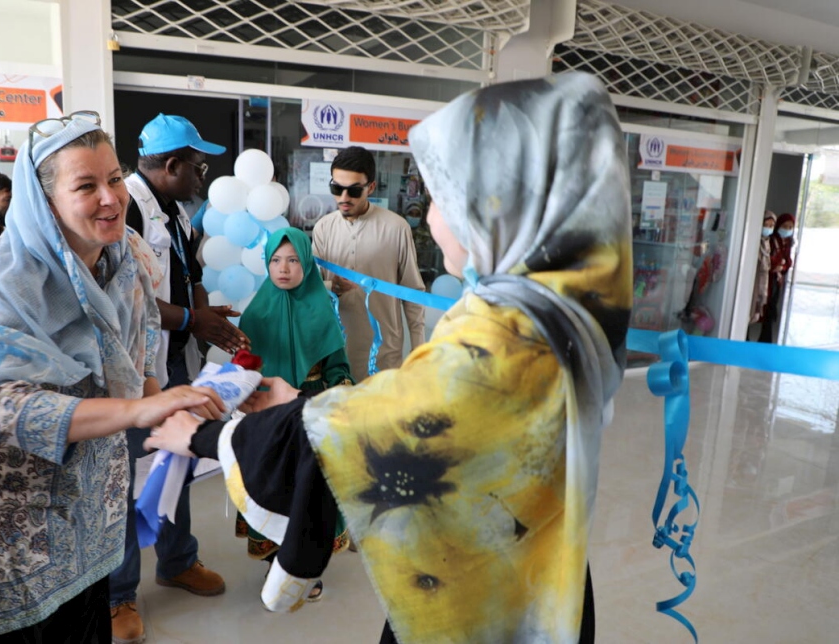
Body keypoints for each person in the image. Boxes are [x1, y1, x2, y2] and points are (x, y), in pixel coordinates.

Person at [145, 73, 633, 643]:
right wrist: (297, 400)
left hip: (484, 601)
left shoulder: (512, 332)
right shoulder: (566, 302)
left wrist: (206, 438)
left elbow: (385, 429)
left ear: (500, 203)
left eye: (445, 199)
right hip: (533, 565)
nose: (432, 219)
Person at [0, 111, 225, 642]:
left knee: (85, 622)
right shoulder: (6, 276)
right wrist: (136, 410)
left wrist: (171, 404)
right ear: (47, 201)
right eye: (86, 185)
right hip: (9, 506)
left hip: (89, 495)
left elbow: (140, 348)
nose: (111, 198)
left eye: (113, 178)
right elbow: (1, 405)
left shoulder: (123, 256)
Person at [112, 113, 246, 644]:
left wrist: (210, 320)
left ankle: (176, 560)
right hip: (129, 368)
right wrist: (195, 320)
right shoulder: (124, 214)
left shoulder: (176, 213)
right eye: (197, 166)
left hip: (171, 359)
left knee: (180, 457)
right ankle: (119, 593)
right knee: (122, 479)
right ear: (171, 165)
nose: (201, 175)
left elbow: (187, 277)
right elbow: (133, 303)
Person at [236, 227, 353, 599]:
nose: (283, 268)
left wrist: (332, 392)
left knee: (306, 493)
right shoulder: (255, 314)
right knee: (271, 487)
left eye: (292, 260)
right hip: (267, 417)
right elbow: (244, 366)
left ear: (306, 264)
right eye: (274, 260)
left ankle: (304, 568)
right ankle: (275, 563)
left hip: (310, 411)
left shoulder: (322, 312)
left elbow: (339, 369)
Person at [312, 145, 426, 381]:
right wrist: (331, 287)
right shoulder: (323, 227)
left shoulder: (396, 228)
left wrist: (420, 352)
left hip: (384, 353)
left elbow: (413, 293)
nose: (343, 198)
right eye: (336, 188)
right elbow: (311, 288)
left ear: (371, 187)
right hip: (334, 351)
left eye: (353, 191)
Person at [759, 212, 796, 344]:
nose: (787, 230)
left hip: (776, 281)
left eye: (790, 227)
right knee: (760, 308)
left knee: (770, 311)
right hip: (765, 280)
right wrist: (780, 265)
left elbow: (788, 262)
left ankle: (765, 340)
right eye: (784, 226)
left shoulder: (787, 243)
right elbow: (771, 262)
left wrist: (783, 266)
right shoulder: (772, 240)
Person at [747, 211, 776, 340]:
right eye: (766, 224)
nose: (768, 228)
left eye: (771, 226)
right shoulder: (753, 242)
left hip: (761, 282)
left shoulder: (767, 242)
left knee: (754, 311)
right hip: (751, 282)